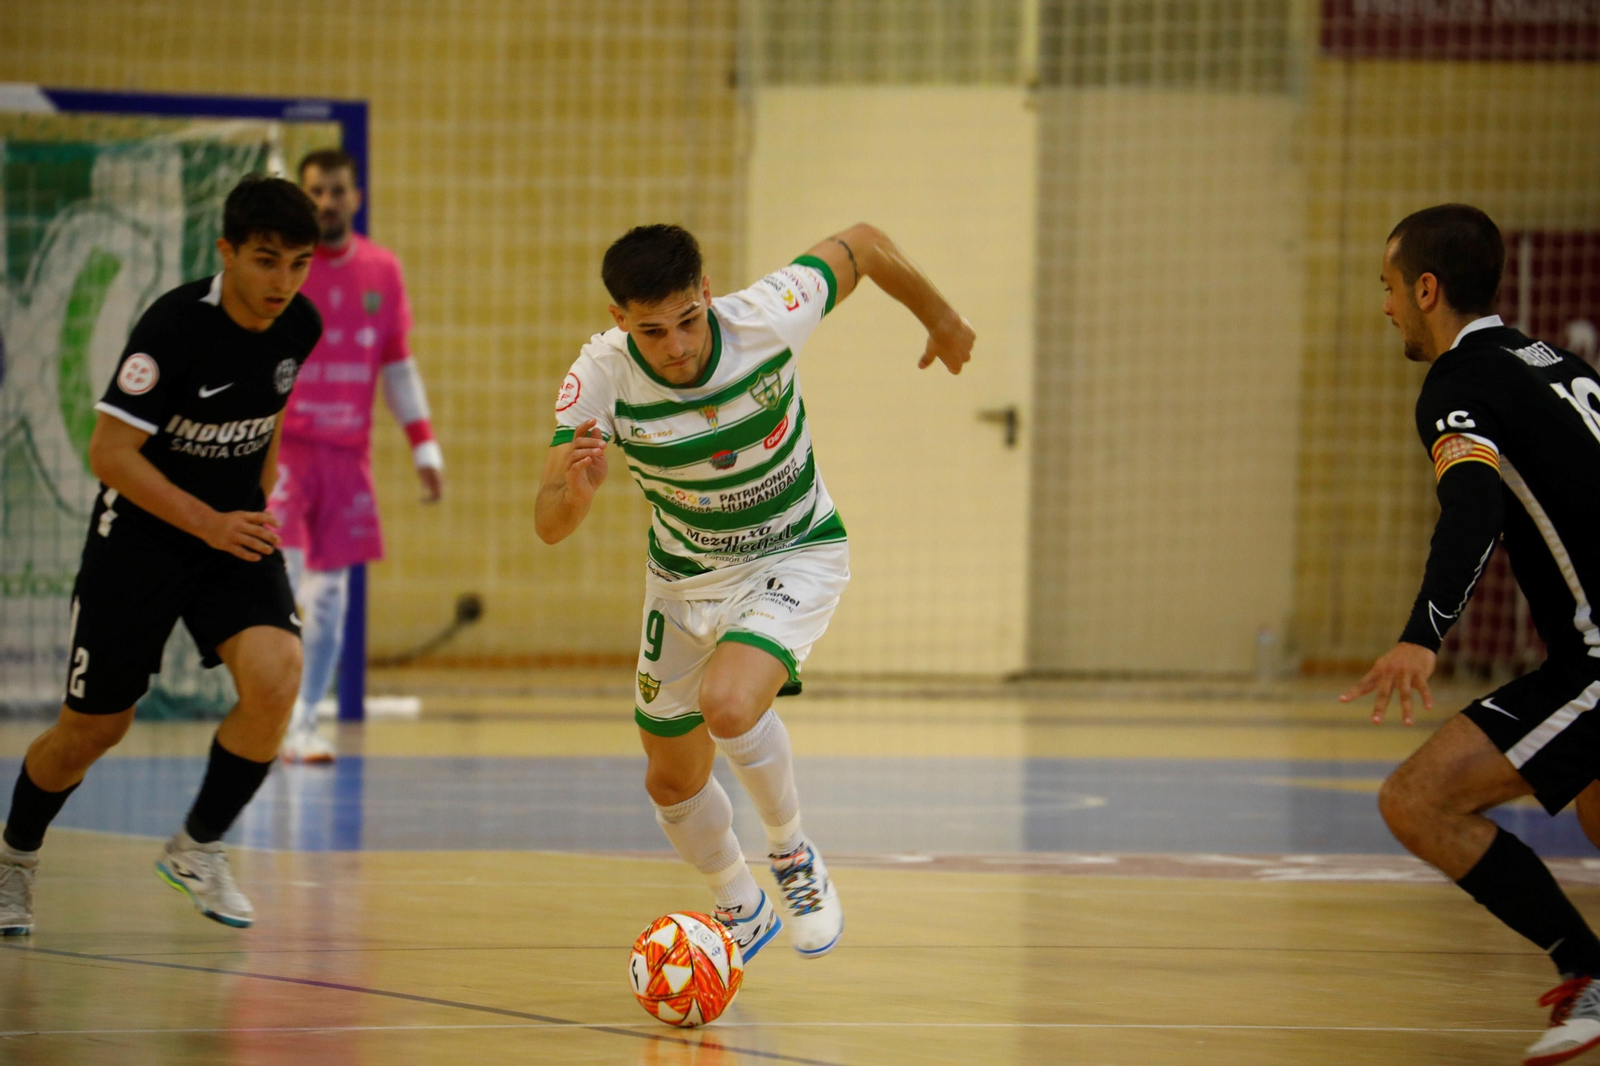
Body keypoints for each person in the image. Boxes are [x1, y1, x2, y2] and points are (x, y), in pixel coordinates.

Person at [536, 223, 973, 962]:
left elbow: (862, 245)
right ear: (620, 321)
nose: (675, 344)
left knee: (731, 705)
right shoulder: (599, 378)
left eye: (688, 319)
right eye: (651, 330)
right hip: (684, 579)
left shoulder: (766, 317)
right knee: (670, 782)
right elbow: (548, 523)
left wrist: (940, 315)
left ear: (707, 293)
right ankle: (740, 904)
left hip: (794, 549)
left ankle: (792, 853)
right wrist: (574, 495)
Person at [0, 176, 322, 933]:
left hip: (231, 532)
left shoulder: (300, 324)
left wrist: (257, 489)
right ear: (228, 252)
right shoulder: (173, 328)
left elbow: (270, 408)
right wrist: (206, 522)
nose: (283, 282)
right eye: (267, 261)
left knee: (277, 676)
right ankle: (14, 861)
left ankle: (198, 848)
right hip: (140, 540)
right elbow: (109, 453)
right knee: (94, 729)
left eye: (299, 263)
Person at [1344, 203, 1600, 1066]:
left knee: (1417, 799)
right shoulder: (1555, 362)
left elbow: (1473, 506)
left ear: (1426, 288)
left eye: (1388, 288)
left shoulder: (1458, 385)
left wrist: (1424, 633)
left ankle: (1588, 974)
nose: (1384, 308)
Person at [272, 148, 443, 763]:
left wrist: (423, 443)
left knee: (330, 599)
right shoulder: (285, 269)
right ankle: (263, 714)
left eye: (336, 190)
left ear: (355, 196)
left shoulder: (382, 269)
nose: (326, 202)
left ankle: (302, 723)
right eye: (315, 191)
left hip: (348, 458)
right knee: (277, 588)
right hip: (285, 452)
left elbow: (397, 364)